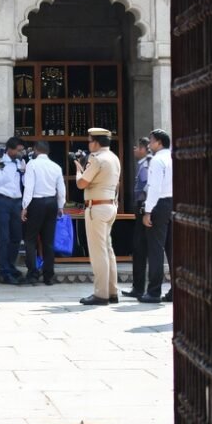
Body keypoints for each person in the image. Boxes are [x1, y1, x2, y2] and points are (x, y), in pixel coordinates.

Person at [75, 128, 122, 306]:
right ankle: (112, 291)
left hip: (97, 207)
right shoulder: (114, 158)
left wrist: (79, 170)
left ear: (95, 142)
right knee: (108, 250)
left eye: (90, 141)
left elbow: (82, 183)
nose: (89, 144)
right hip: (110, 205)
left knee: (98, 252)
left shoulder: (97, 159)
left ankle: (101, 294)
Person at [21, 141, 66, 286]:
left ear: (35, 150)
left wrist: (24, 206)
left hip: (36, 202)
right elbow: (61, 189)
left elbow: (29, 187)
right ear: (48, 151)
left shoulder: (32, 164)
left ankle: (32, 274)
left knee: (30, 239)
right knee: (48, 241)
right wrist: (61, 206)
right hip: (51, 202)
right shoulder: (56, 167)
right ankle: (48, 276)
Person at [139, 128, 173, 303]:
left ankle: (153, 292)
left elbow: (154, 188)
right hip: (173, 203)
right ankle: (175, 290)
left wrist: (148, 211)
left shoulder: (157, 160)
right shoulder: (173, 158)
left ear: (159, 142)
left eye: (151, 141)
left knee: (155, 249)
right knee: (172, 249)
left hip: (159, 205)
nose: (149, 144)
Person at [0, 136, 27, 284]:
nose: (20, 153)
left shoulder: (19, 162)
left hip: (17, 202)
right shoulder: (0, 162)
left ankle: (11, 266)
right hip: (3, 201)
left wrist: (23, 171)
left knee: (16, 236)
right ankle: (4, 271)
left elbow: (24, 182)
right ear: (10, 149)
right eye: (18, 150)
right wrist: (9, 169)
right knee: (4, 237)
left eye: (21, 150)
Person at [123, 137, 152, 299]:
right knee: (139, 249)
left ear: (143, 149)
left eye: (137, 147)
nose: (134, 149)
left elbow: (147, 186)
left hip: (144, 208)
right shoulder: (143, 164)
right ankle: (138, 286)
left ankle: (140, 288)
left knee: (140, 248)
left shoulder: (146, 165)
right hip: (143, 208)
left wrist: (145, 207)